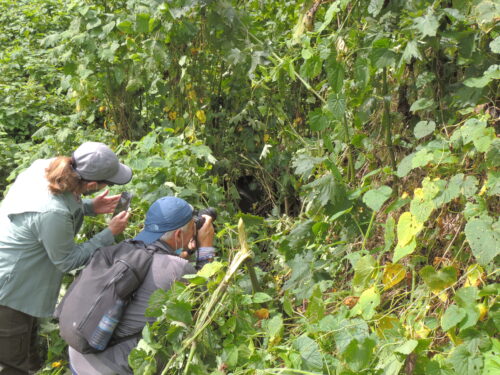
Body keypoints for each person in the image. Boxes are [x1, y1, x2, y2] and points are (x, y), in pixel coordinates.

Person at [0, 142, 132, 374]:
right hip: (10, 292)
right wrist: (109, 233)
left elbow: (58, 205)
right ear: (91, 184)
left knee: (24, 345)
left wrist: (91, 206)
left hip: (19, 276)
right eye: (108, 182)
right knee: (11, 363)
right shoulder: (53, 212)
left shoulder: (46, 168)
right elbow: (68, 260)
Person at [68, 196, 215, 375]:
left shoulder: (122, 248)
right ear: (178, 235)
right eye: (192, 228)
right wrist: (206, 248)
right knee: (176, 338)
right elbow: (206, 300)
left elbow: (158, 266)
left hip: (78, 357)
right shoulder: (179, 268)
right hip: (108, 370)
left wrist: (185, 249)